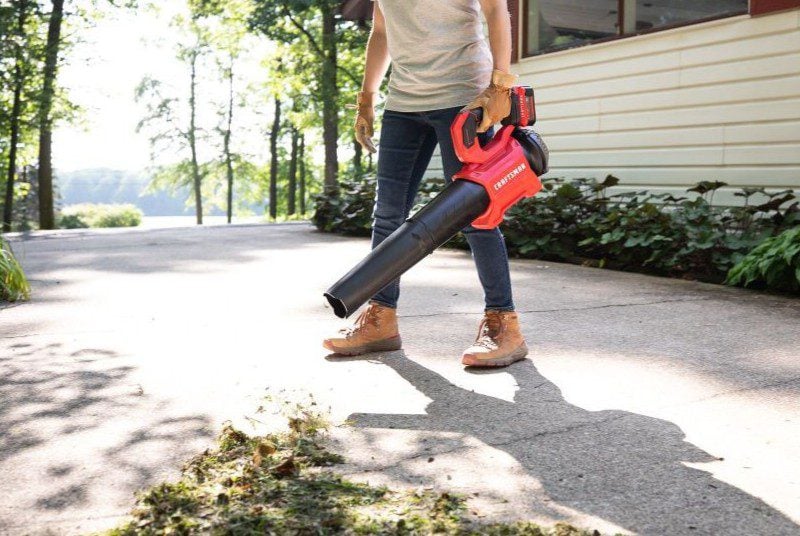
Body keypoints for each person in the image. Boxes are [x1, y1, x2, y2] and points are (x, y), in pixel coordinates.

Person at [323, 0, 527, 368]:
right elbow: (381, 31)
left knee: (475, 213)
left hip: (465, 97)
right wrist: (366, 99)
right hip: (403, 101)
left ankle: (504, 324)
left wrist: (500, 84)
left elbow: (496, 10)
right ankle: (381, 320)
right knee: (387, 214)